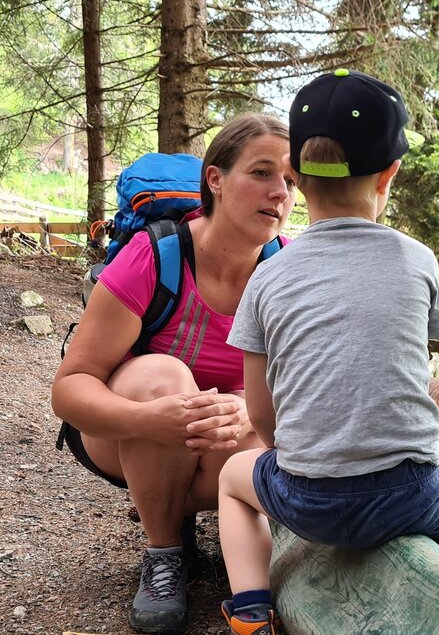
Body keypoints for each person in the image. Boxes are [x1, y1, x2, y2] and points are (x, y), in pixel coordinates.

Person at [216, 70, 439, 633]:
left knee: (232, 478)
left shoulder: (268, 277)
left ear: (295, 174)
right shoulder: (417, 260)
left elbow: (261, 411)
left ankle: (250, 610)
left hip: (306, 496)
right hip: (411, 492)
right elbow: (407, 371)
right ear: (390, 174)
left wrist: (300, 457)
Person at [51, 114, 296, 634]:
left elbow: (304, 390)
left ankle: (246, 552)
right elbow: (70, 389)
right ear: (215, 179)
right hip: (122, 435)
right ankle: (164, 552)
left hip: (225, 444)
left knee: (262, 422)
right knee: (162, 377)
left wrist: (244, 409)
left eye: (292, 181)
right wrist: (148, 418)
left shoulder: (289, 272)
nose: (279, 193)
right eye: (261, 173)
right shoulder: (154, 257)